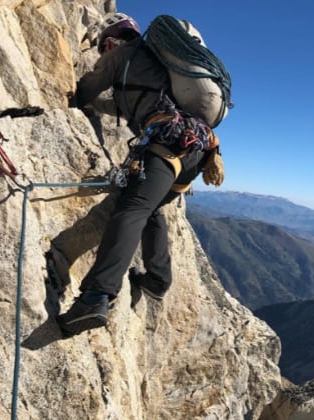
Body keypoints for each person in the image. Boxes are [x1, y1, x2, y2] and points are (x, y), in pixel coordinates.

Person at [57, 13, 224, 337]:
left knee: (131, 209)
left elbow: (87, 89)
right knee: (149, 210)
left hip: (166, 144)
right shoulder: (155, 67)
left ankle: (96, 296)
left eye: (103, 49)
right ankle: (157, 281)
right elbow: (119, 104)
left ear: (109, 41)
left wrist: (76, 99)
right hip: (197, 152)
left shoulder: (120, 56)